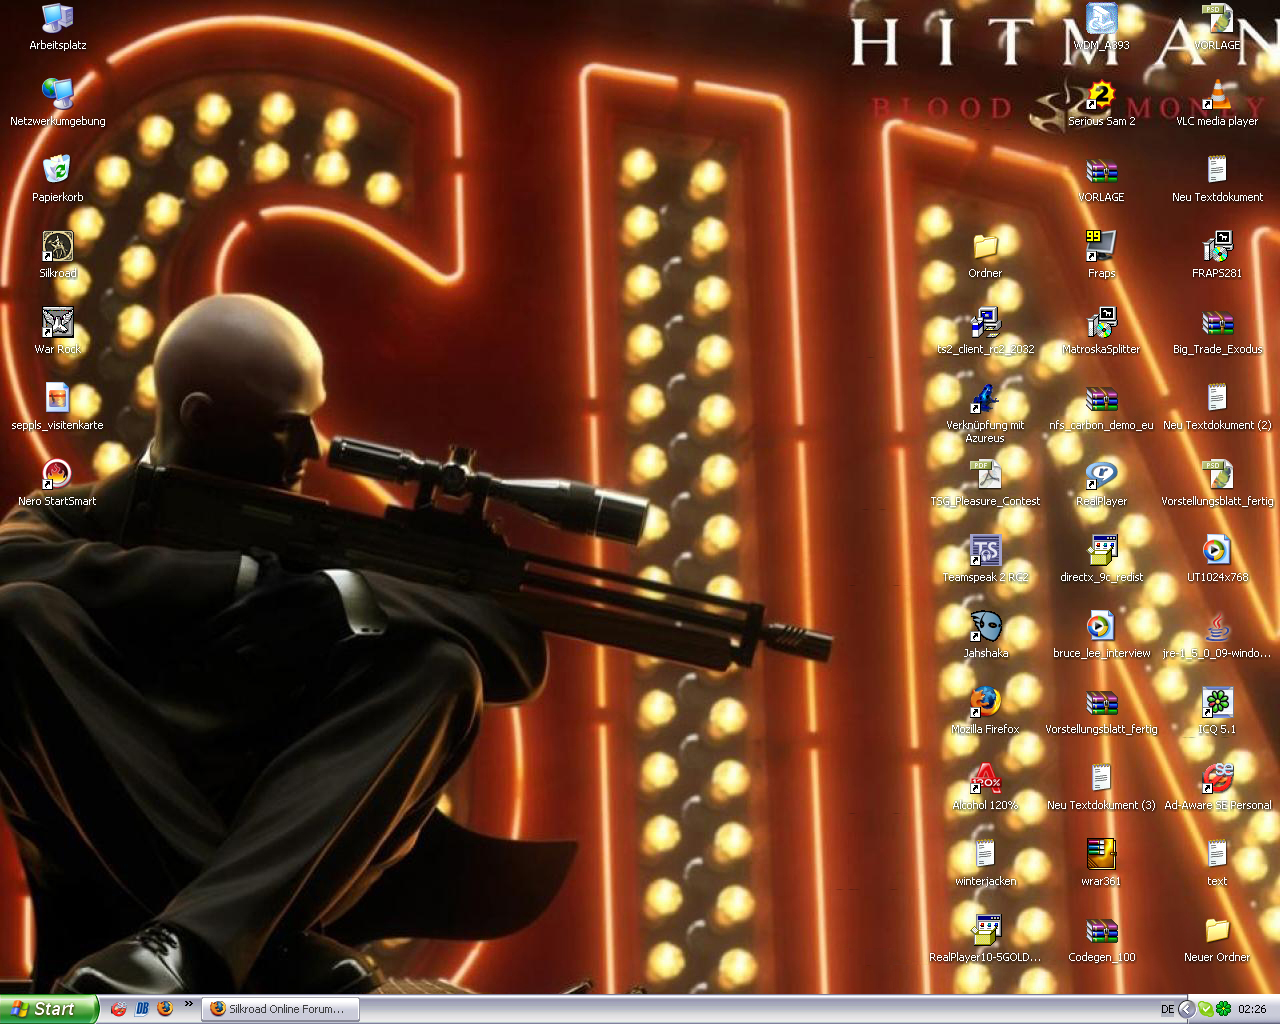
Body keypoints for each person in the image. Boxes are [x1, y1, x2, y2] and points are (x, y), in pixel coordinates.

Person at [0, 294, 573, 994]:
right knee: (17, 614)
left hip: (241, 885)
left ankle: (194, 941)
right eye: (286, 427)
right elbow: (10, 562)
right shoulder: (84, 512)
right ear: (200, 418)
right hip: (115, 911)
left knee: (443, 668)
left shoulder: (320, 545)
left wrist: (342, 598)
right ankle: (262, 948)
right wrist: (234, 581)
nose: (312, 448)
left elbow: (512, 645)